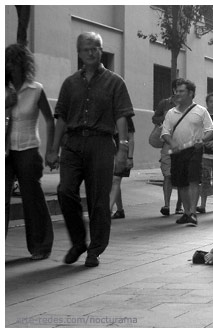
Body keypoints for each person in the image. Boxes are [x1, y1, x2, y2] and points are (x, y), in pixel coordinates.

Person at [46, 32, 134, 267]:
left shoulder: (115, 82)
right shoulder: (70, 83)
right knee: (65, 191)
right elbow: (61, 119)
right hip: (73, 144)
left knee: (98, 200)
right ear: (79, 53)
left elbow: (122, 118)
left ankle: (95, 249)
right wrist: (53, 149)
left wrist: (123, 150)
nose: (92, 52)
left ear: (101, 51)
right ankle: (78, 242)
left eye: (96, 48)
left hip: (101, 144)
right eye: (87, 49)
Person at [5, 43, 55, 260]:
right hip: (5, 152)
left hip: (27, 149)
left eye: (14, 62)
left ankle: (41, 246)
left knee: (32, 198)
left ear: (23, 65)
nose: (10, 66)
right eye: (7, 62)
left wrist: (51, 151)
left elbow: (49, 121)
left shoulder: (36, 89)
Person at [161, 78, 213, 226]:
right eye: (176, 91)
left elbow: (210, 130)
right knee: (181, 182)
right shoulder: (171, 113)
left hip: (194, 150)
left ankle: (192, 213)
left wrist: (202, 140)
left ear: (190, 93)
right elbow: (165, 132)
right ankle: (186, 213)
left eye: (181, 91)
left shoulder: (201, 111)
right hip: (177, 151)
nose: (177, 94)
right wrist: (173, 144)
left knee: (193, 179)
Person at [152, 80, 183, 216]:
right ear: (173, 90)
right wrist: (163, 118)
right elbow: (154, 118)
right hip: (167, 144)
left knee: (182, 177)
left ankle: (179, 206)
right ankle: (166, 205)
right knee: (168, 175)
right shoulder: (165, 103)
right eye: (177, 89)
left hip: (183, 144)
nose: (179, 91)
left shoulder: (188, 105)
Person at [110, 116, 135, 219]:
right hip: (109, 152)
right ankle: (120, 210)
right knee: (113, 181)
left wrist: (130, 157)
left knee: (115, 180)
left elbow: (131, 139)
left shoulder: (126, 118)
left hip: (122, 152)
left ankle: (109, 209)